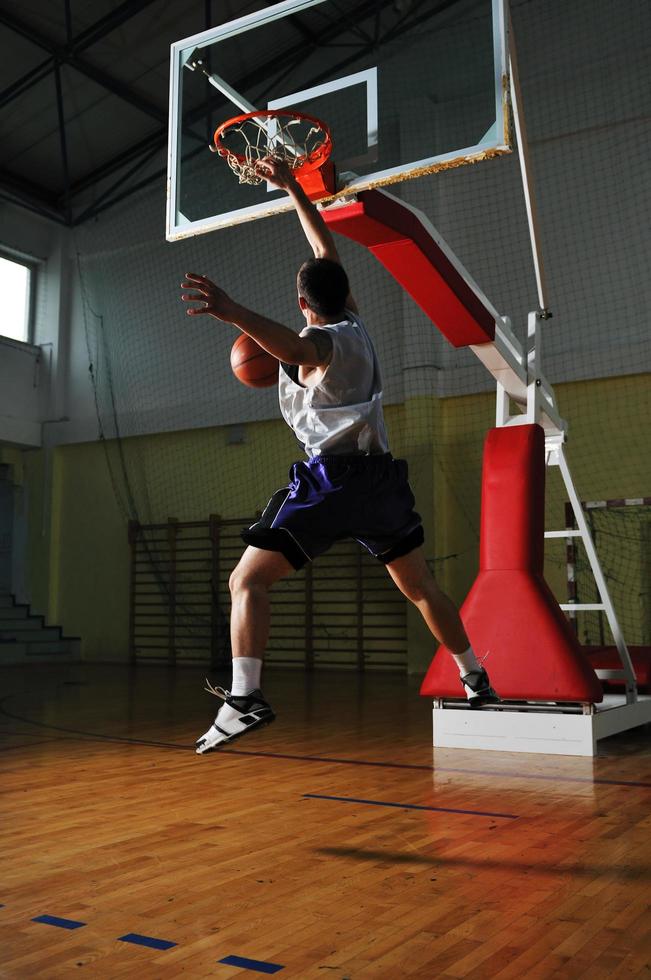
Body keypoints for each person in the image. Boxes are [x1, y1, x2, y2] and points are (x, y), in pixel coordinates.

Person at [180, 158, 499, 755]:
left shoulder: (317, 344)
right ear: (341, 294)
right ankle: (475, 678)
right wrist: (293, 187)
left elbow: (299, 344)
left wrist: (232, 311)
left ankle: (246, 698)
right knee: (421, 584)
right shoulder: (354, 322)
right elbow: (323, 246)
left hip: (335, 482)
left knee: (246, 580)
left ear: (302, 302)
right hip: (381, 481)